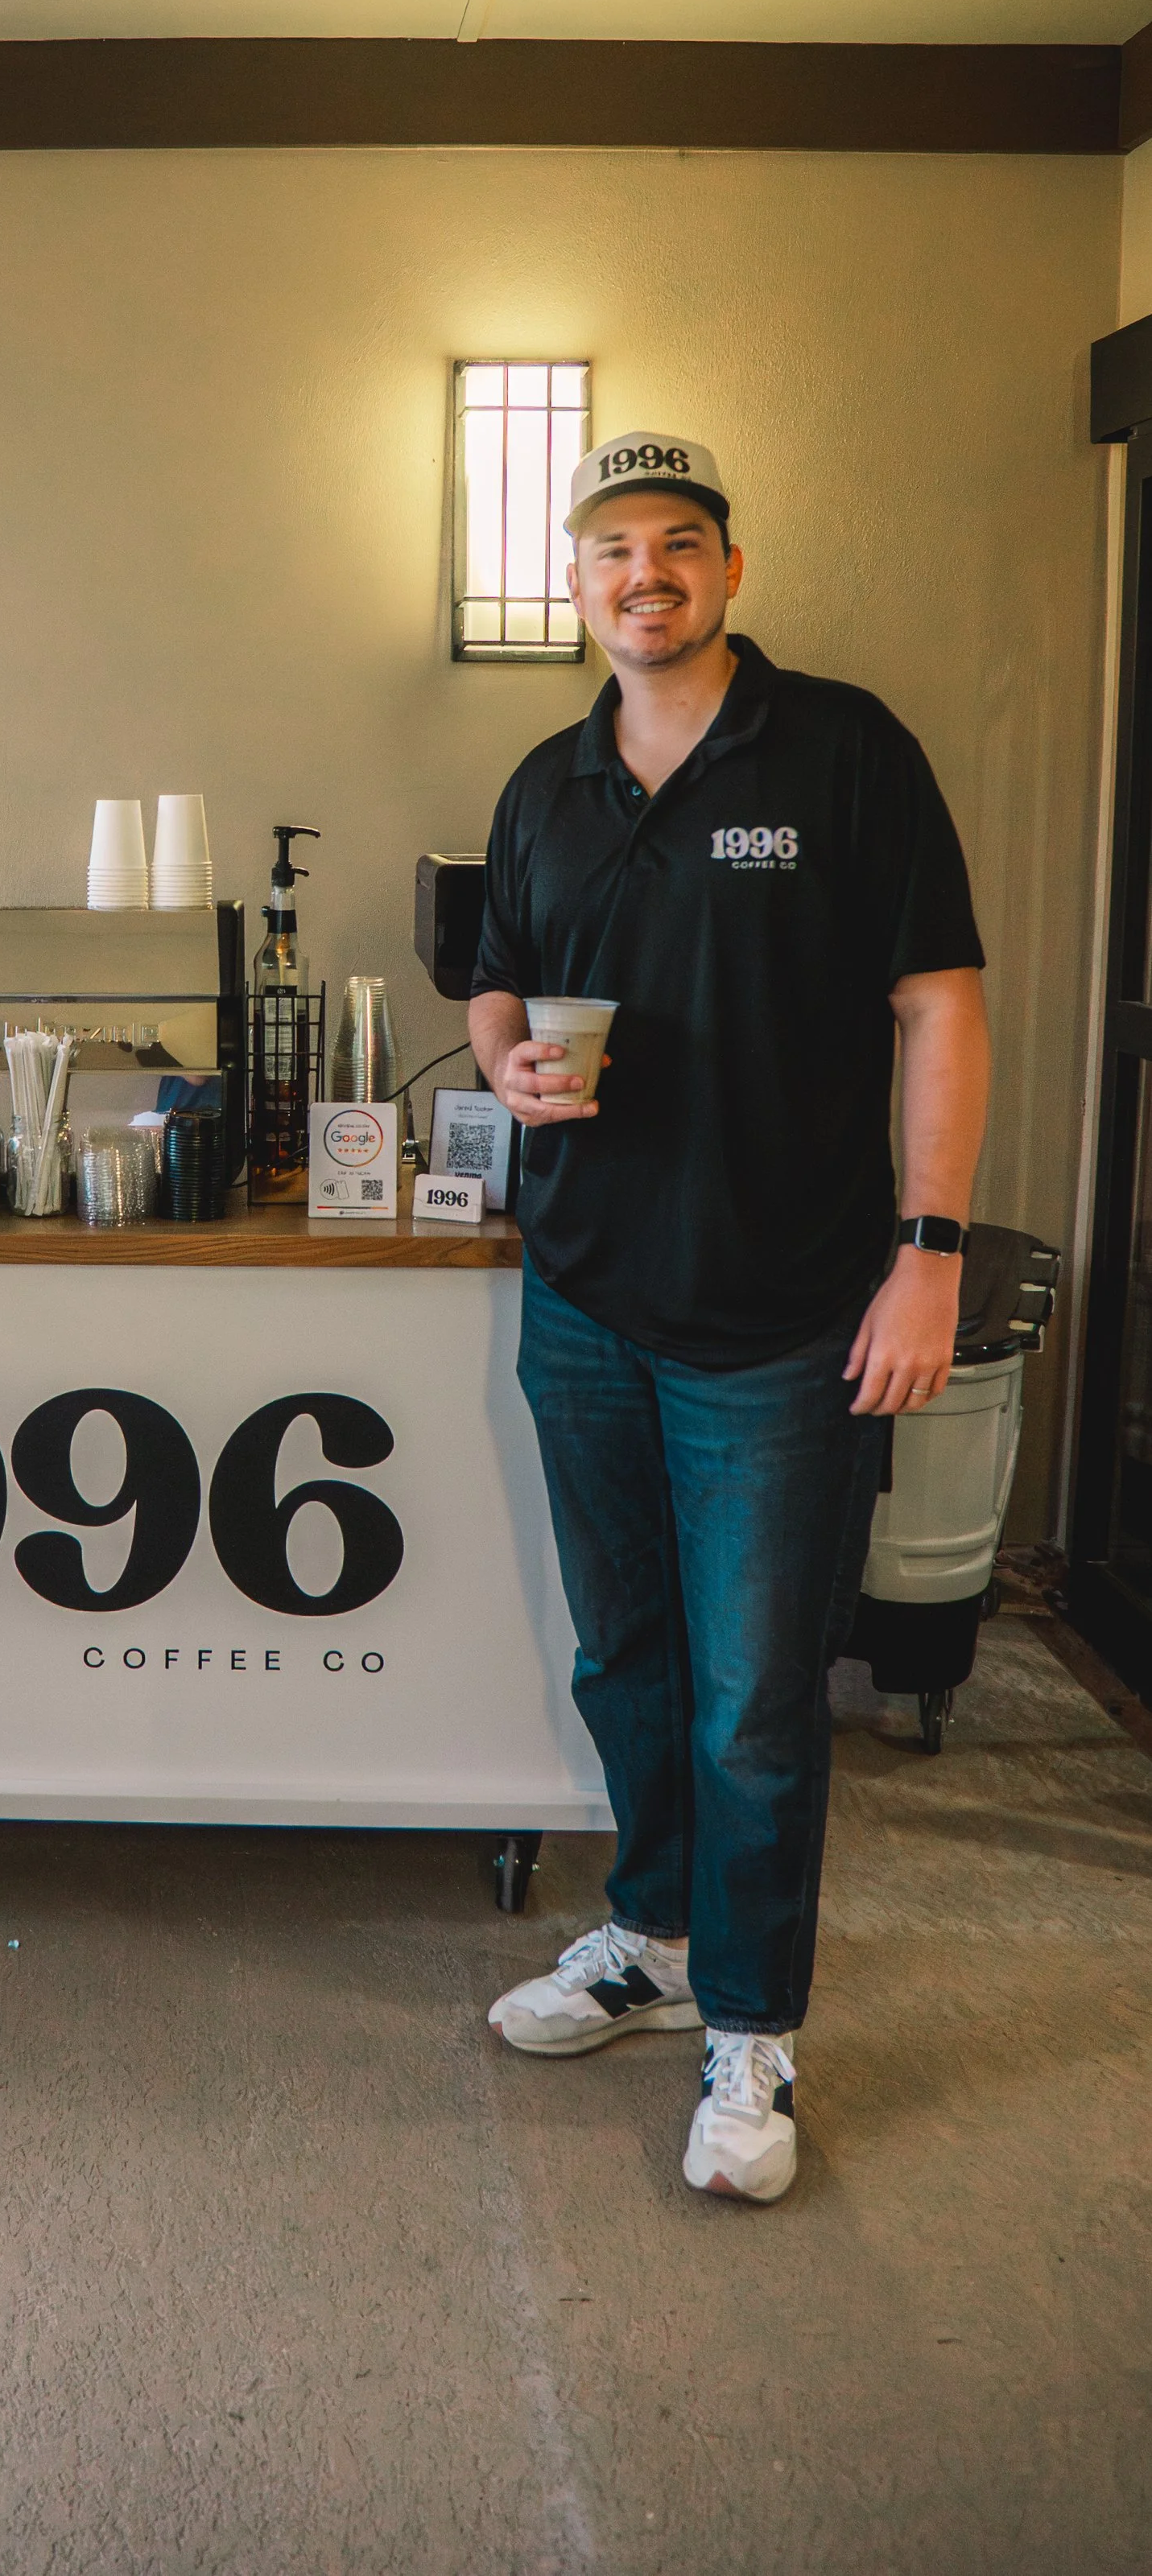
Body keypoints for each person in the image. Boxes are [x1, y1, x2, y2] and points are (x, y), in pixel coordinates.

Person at [469, 431, 989, 2205]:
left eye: (674, 544)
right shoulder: (543, 781)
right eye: (609, 549)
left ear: (727, 572)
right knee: (622, 1660)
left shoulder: (841, 750)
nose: (641, 574)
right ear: (575, 584)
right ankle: (653, 1939)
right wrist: (512, 1075)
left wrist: (928, 1250)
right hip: (583, 1300)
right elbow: (490, 995)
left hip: (779, 1315)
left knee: (758, 1698)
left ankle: (751, 2030)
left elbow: (935, 1006)